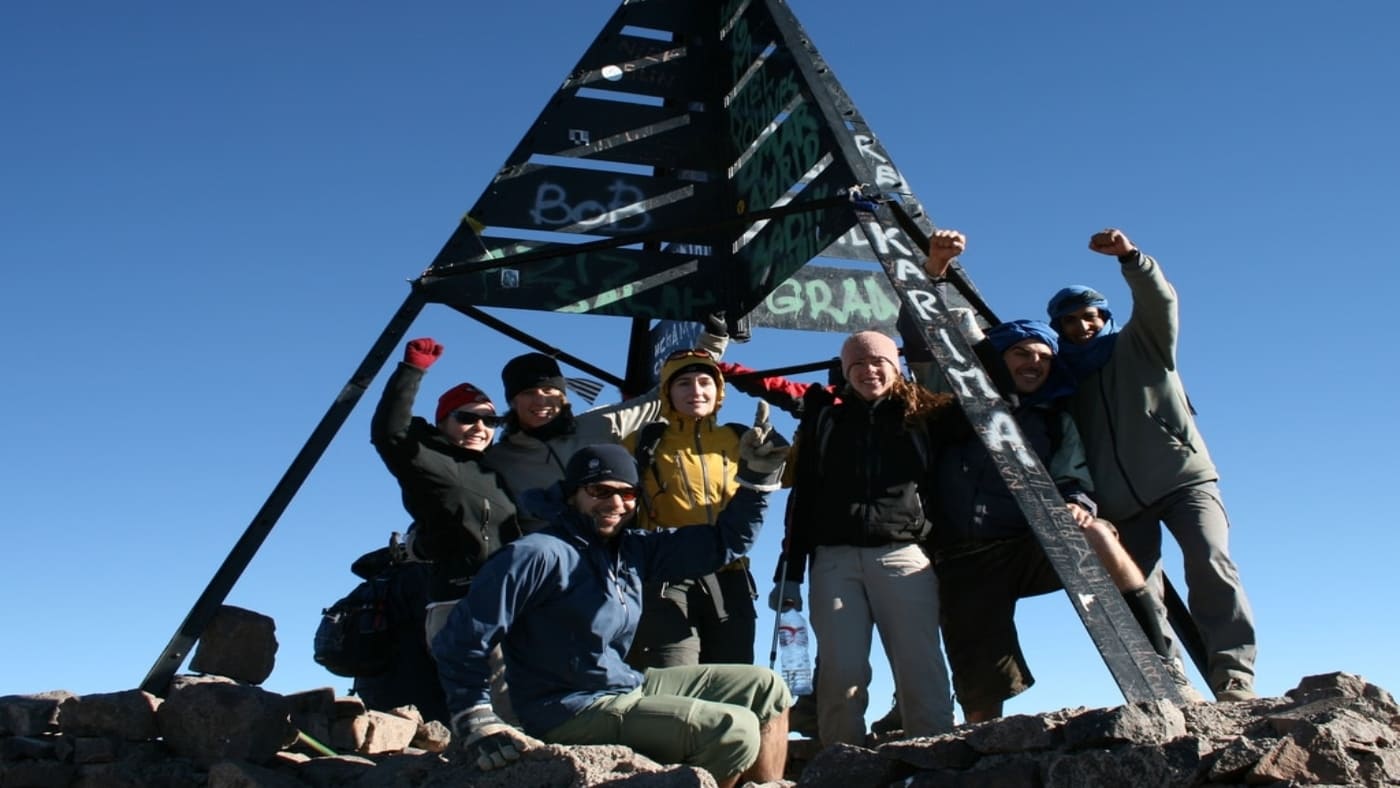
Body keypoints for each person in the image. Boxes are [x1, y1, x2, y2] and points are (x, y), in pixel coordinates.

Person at [431, 432, 792, 788]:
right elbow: (463, 635)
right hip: (567, 709)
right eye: (600, 491)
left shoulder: (631, 550)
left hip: (622, 685)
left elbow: (724, 544)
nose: (616, 503)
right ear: (573, 494)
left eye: (628, 493)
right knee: (733, 731)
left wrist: (757, 481)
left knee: (767, 687)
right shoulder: (537, 554)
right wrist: (475, 716)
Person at [927, 318, 1191, 723]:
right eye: (1021, 353)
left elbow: (1072, 473)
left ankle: (1160, 656)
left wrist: (1075, 502)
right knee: (983, 679)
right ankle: (984, 751)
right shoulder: (952, 404)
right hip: (964, 556)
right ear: (998, 358)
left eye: (1044, 357)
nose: (1035, 362)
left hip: (1027, 545)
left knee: (1098, 535)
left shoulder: (1053, 417)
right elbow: (919, 344)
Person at [1045, 228, 1257, 702]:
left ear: (1105, 317)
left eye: (1090, 316)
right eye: (1070, 322)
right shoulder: (1063, 383)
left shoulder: (1142, 344)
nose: (1082, 326)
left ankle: (1234, 678)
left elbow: (1160, 302)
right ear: (1058, 330)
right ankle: (1169, 679)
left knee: (1210, 563)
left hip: (1184, 480)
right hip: (1120, 502)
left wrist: (1131, 259)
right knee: (1140, 590)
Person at [770, 329, 957, 746]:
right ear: (845, 371)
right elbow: (806, 499)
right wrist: (791, 571)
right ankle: (841, 764)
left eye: (878, 363)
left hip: (904, 553)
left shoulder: (924, 415)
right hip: (833, 560)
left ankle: (936, 762)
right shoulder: (826, 420)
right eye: (857, 365)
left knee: (919, 666)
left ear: (895, 367)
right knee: (840, 671)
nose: (868, 371)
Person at [485, 327, 728, 532]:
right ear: (512, 402)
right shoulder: (498, 459)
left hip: (619, 558)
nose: (541, 401)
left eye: (550, 391)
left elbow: (662, 394)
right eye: (528, 393)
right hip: (553, 569)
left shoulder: (601, 422)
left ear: (564, 397)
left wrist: (713, 339)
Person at [370, 337, 522, 642]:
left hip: (513, 603)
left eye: (491, 420)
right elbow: (390, 433)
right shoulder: (429, 462)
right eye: (467, 417)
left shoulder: (494, 469)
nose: (481, 427)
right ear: (443, 423)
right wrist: (412, 371)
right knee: (476, 691)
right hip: (461, 604)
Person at [622, 348, 757, 669]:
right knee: (674, 678)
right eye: (683, 383)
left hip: (732, 576)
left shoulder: (740, 438)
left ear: (718, 390)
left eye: (704, 382)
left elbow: (793, 475)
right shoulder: (643, 442)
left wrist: (789, 440)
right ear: (667, 391)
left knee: (732, 682)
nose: (696, 391)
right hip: (667, 575)